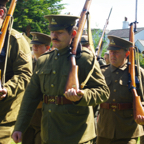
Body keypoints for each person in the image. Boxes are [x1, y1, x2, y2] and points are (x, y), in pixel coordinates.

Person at [12, 15, 110, 144]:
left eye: (59, 32)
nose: (54, 36)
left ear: (73, 33)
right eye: (52, 32)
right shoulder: (44, 60)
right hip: (49, 133)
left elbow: (103, 92)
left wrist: (82, 96)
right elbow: (30, 96)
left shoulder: (84, 59)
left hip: (76, 134)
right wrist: (20, 127)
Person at [96, 35, 144, 144]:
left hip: (128, 130)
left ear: (126, 54)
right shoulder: (101, 72)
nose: (112, 55)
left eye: (116, 52)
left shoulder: (137, 72)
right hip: (104, 129)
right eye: (111, 52)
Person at [0, 0, 32, 144]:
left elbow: (25, 74)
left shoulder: (15, 40)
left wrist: (7, 88)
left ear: (1, 13)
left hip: (3, 118)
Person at [22, 32, 51, 144]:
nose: (35, 47)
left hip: (43, 115)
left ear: (47, 47)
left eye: (38, 45)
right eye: (34, 45)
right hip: (29, 116)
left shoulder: (52, 65)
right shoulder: (29, 64)